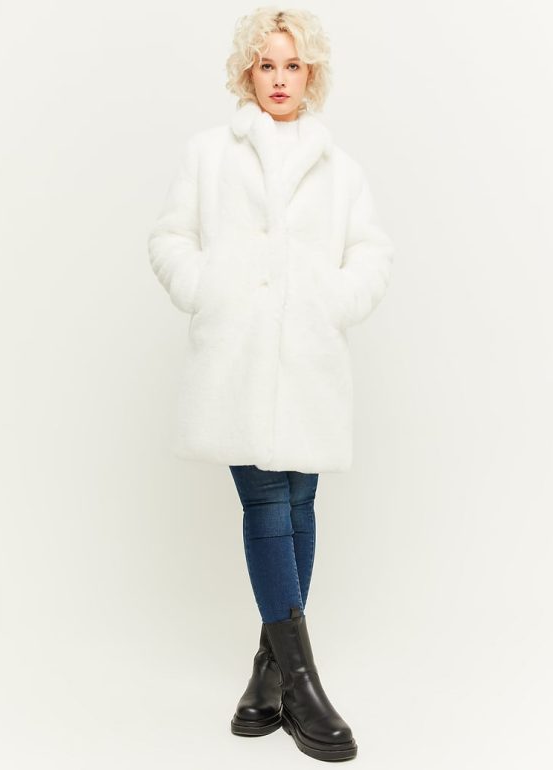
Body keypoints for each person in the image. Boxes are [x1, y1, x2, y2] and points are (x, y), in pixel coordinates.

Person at [148, 7, 394, 763]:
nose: (279, 79)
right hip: (238, 359)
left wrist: (333, 301)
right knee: (265, 504)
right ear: (246, 73)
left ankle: (267, 679)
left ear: (310, 73)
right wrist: (207, 291)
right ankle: (306, 687)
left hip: (310, 361)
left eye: (292, 65)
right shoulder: (208, 154)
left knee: (299, 505)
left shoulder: (340, 168)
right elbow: (169, 238)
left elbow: (372, 254)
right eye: (266, 65)